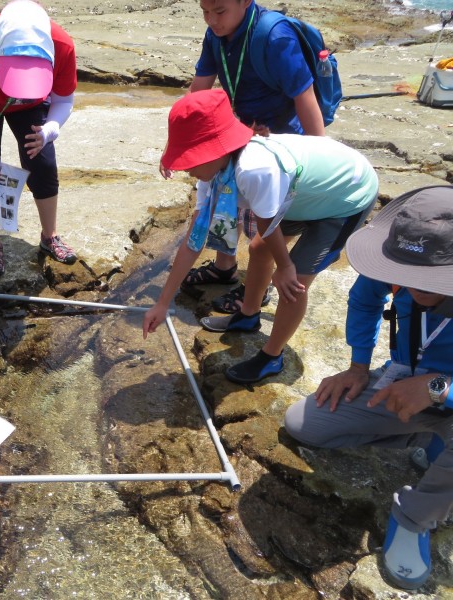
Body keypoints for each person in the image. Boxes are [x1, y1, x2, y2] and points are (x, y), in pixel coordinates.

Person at [143, 89, 377, 384]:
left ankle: (271, 357)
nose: (188, 170)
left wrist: (287, 267)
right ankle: (248, 315)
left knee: (294, 284)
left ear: (215, 151)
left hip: (345, 196)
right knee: (259, 250)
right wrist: (162, 303)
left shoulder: (255, 170)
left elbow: (268, 223)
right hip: (301, 195)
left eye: (190, 160)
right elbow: (194, 239)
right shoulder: (214, 174)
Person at [283, 185, 453, 590]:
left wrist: (434, 390)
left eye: (426, 280)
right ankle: (428, 439)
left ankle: (414, 519)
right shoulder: (390, 264)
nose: (410, 287)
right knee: (305, 424)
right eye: (403, 276)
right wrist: (358, 366)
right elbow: (364, 300)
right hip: (404, 376)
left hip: (442, 390)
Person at [166, 0, 326, 314]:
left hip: (282, 140)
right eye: (204, 11)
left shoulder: (275, 36)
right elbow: (199, 90)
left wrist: (317, 152)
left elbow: (305, 98)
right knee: (230, 201)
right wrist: (178, 144)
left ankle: (257, 286)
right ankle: (225, 267)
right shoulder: (215, 35)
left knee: (260, 220)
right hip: (240, 130)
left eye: (220, 11)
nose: (211, 20)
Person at [0, 0, 78, 277]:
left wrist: (50, 130)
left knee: (42, 162)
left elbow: (64, 99)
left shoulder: (62, 45)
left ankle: (50, 236)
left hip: (32, 102)